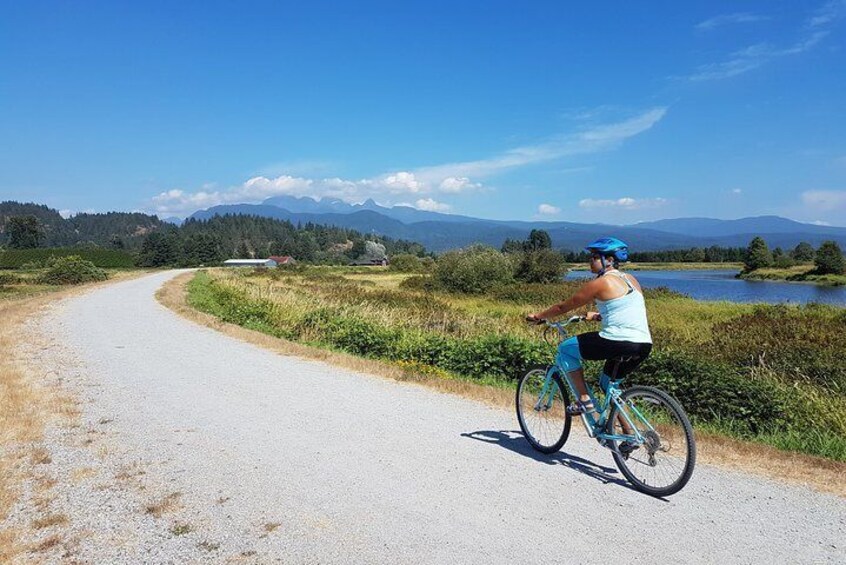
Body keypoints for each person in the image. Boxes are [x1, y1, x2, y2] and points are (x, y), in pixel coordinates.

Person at [526, 237, 652, 419]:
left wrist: (538, 317)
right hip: (643, 344)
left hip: (617, 341)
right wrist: (599, 316)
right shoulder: (631, 280)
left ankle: (585, 400)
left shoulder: (601, 283)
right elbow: (626, 310)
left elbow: (563, 307)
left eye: (594, 257)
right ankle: (628, 434)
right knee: (608, 386)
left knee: (565, 349)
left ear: (608, 260)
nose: (590, 261)